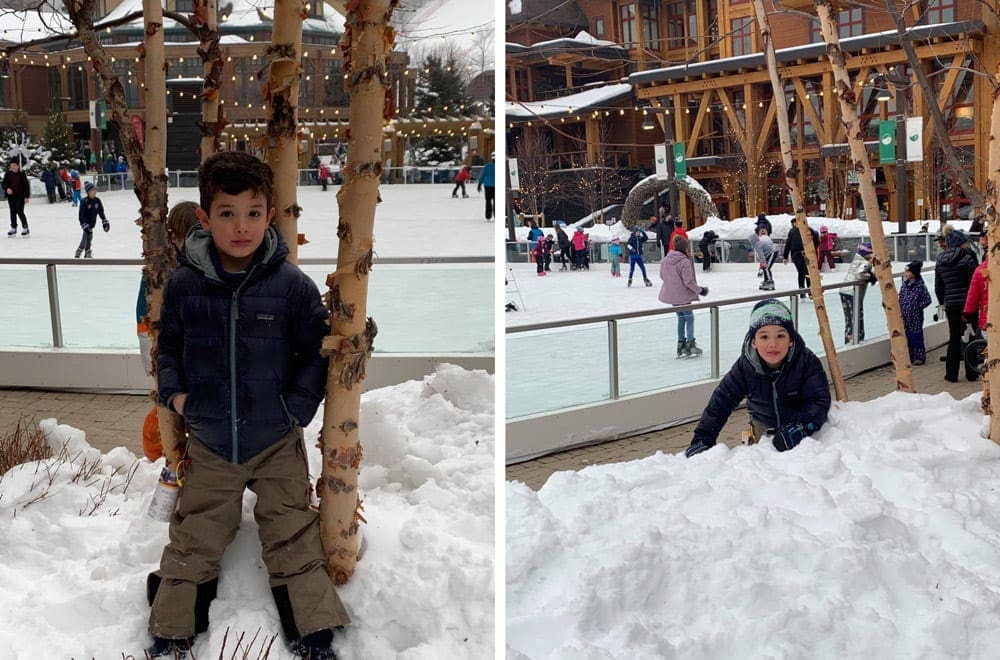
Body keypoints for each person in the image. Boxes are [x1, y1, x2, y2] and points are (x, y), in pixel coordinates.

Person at [147, 151, 350, 659]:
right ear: (205, 217)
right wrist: (177, 396)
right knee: (195, 534)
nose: (241, 227)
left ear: (270, 214)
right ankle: (173, 629)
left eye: (253, 213)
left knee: (292, 532)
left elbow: (314, 353)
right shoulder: (184, 285)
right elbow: (167, 346)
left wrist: (295, 410)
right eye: (227, 213)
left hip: (275, 438)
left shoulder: (291, 288)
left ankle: (313, 629)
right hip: (212, 439)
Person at [684, 298, 831, 457]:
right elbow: (720, 404)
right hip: (762, 431)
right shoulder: (745, 367)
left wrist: (801, 426)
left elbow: (819, 400)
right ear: (753, 342)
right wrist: (703, 439)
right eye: (764, 337)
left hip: (801, 435)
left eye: (781, 336)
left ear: (791, 340)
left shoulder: (806, 362)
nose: (773, 344)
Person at [137, 201, 201, 462]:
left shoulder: (201, 263)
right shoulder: (161, 269)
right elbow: (144, 310)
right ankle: (159, 458)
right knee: (166, 405)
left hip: (183, 349)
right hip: (165, 345)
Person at [935, 229, 978, 382]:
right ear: (960, 243)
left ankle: (951, 374)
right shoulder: (967, 258)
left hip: (951, 304)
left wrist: (943, 302)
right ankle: (971, 372)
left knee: (953, 337)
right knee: (970, 335)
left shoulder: (940, 260)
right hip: (967, 303)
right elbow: (973, 283)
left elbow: (938, 287)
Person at [658, 236, 708, 357]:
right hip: (683, 296)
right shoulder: (684, 261)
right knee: (689, 318)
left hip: (672, 296)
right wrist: (700, 290)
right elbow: (688, 282)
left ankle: (681, 344)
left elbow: (662, 275)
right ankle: (691, 344)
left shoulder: (666, 259)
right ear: (685, 248)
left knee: (681, 318)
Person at [839, 242, 877, 344]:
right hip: (853, 294)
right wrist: (871, 277)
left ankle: (849, 339)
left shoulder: (857, 259)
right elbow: (859, 274)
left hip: (844, 291)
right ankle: (856, 340)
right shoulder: (865, 262)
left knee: (849, 318)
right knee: (856, 317)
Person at [899, 260, 932, 366]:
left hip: (915, 316)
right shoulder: (904, 286)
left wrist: (917, 307)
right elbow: (901, 297)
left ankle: (919, 356)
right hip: (905, 315)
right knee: (908, 335)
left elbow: (927, 300)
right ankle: (910, 355)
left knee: (916, 335)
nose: (906, 274)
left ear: (913, 273)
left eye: (907, 272)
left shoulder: (920, 286)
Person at [782, 217, 818, 296]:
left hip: (796, 255)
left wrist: (785, 257)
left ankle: (802, 291)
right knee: (807, 271)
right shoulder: (809, 229)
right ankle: (810, 291)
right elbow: (816, 240)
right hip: (807, 253)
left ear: (795, 223)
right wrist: (813, 249)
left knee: (801, 272)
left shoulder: (792, 231)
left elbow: (788, 244)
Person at [75, 182, 109, 258]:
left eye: (95, 190)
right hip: (86, 224)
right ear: (88, 191)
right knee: (88, 236)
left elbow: (101, 212)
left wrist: (104, 221)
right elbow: (81, 216)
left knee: (87, 237)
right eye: (93, 190)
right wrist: (84, 224)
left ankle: (81, 251)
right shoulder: (84, 202)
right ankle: (86, 252)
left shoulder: (97, 201)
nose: (95, 191)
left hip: (92, 223)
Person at [3, 158, 30, 236]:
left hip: (20, 196)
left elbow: (26, 186)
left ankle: (25, 228)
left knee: (20, 211)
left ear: (18, 166)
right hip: (11, 196)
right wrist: (7, 188)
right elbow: (4, 184)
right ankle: (13, 228)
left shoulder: (22, 174)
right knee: (12, 212)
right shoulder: (7, 174)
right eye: (11, 165)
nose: (12, 167)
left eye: (14, 165)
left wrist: (26, 196)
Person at [749, 226, 776, 291]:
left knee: (766, 268)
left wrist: (764, 262)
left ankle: (770, 282)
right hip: (770, 253)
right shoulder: (761, 239)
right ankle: (767, 281)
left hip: (772, 253)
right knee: (765, 268)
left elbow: (761, 254)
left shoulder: (758, 244)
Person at [477, 152, 495, 221]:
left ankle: (488, 216)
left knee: (488, 200)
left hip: (487, 185)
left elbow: (483, 175)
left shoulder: (487, 166)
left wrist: (479, 184)